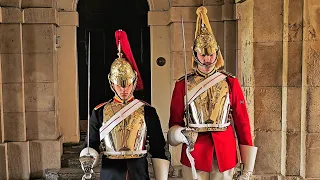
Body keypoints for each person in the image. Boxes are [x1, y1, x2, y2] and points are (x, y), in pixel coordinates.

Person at [167, 6, 258, 180]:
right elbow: (174, 123)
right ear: (195, 55)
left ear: (217, 53)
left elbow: (242, 124)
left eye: (211, 54)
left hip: (224, 153)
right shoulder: (182, 85)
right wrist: (180, 134)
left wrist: (247, 168)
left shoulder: (230, 82)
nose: (207, 59)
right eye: (203, 55)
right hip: (194, 152)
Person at [79, 29, 170, 180]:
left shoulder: (147, 111)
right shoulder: (99, 111)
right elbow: (91, 144)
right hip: (110, 174)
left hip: (138, 173)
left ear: (134, 82)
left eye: (127, 85)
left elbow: (158, 148)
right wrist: (88, 159)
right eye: (119, 85)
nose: (124, 90)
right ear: (111, 83)